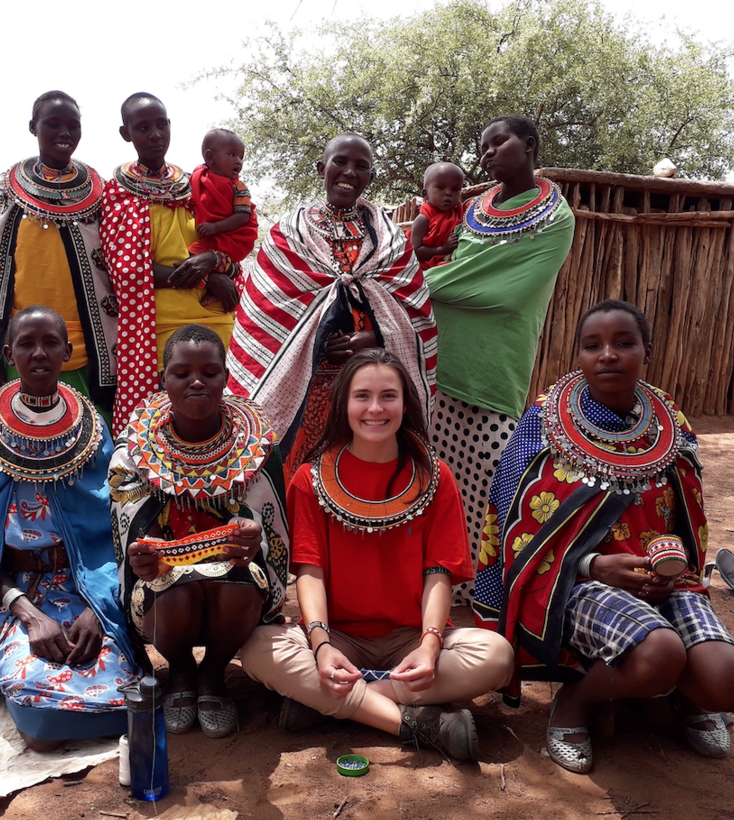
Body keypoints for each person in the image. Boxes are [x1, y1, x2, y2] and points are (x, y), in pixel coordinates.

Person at [474, 300, 734, 773]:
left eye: (624, 343)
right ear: (579, 356)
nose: (607, 355)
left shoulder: (669, 420)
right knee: (660, 654)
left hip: (667, 580)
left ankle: (676, 697)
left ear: (646, 351)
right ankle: (577, 702)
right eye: (593, 346)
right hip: (577, 584)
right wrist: (592, 566)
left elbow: (687, 517)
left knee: (732, 687)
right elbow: (517, 522)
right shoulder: (546, 421)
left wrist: (672, 570)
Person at [238, 349, 514, 761]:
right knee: (258, 648)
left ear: (406, 404)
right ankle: (417, 723)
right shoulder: (309, 479)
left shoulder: (436, 477)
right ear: (343, 405)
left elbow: (438, 574)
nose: (375, 408)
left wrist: (430, 645)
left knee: (496, 655)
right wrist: (321, 646)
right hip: (338, 638)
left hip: (410, 637)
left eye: (388, 396)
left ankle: (332, 704)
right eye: (362, 396)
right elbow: (309, 574)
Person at [0, 306, 136, 751]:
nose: (39, 353)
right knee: (40, 707)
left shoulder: (91, 426)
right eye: (26, 344)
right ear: (10, 354)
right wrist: (29, 615)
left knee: (123, 689)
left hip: (87, 585)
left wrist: (98, 608)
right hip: (16, 592)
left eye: (50, 342)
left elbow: (111, 530)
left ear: (68, 352)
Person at [108, 324, 289, 739]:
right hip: (165, 593)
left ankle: (212, 675)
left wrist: (252, 536)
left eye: (210, 372)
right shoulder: (133, 449)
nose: (196, 381)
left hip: (236, 586)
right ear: (163, 379)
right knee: (177, 588)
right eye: (181, 372)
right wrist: (143, 556)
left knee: (238, 585)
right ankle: (182, 675)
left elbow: (274, 527)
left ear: (226, 377)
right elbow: (127, 533)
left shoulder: (258, 444)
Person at [228, 132, 438, 483]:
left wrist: (373, 337)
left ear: (370, 178)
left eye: (362, 167)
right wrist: (314, 337)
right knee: (299, 478)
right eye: (340, 161)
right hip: (304, 388)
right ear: (321, 167)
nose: (350, 172)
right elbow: (264, 312)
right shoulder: (289, 234)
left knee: (362, 478)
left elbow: (414, 314)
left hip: (368, 388)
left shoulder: (390, 240)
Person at [425, 115, 575, 604]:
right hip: (441, 366)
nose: (487, 153)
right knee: (439, 488)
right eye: (482, 147)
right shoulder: (472, 211)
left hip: (496, 372)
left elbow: (506, 293)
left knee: (493, 492)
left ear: (529, 146)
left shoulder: (556, 218)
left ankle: (490, 599)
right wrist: (446, 281)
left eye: (499, 142)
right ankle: (443, 592)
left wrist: (418, 287)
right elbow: (465, 271)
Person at [0, 91, 117, 428]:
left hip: (87, 344)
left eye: (73, 126)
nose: (64, 133)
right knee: (16, 439)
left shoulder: (98, 190)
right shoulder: (8, 187)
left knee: (91, 436)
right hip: (21, 345)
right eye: (53, 124)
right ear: (33, 127)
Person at [101, 94, 241, 434]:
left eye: (161, 125)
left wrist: (217, 262)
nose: (155, 134)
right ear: (126, 133)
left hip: (217, 319)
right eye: (143, 127)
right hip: (157, 327)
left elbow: (231, 247)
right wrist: (206, 278)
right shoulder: (119, 193)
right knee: (162, 425)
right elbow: (128, 270)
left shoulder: (195, 184)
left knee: (222, 419)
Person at [189, 128, 259, 302]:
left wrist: (216, 227)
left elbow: (243, 217)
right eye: (232, 155)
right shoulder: (197, 180)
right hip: (212, 233)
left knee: (190, 257)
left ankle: (214, 291)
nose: (239, 161)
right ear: (210, 157)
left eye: (241, 157)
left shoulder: (239, 188)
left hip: (231, 237)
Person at [408, 162, 464, 270]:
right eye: (441, 187)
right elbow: (415, 251)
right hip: (423, 266)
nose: (448, 193)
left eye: (455, 189)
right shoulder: (423, 219)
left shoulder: (461, 213)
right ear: (425, 194)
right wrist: (443, 249)